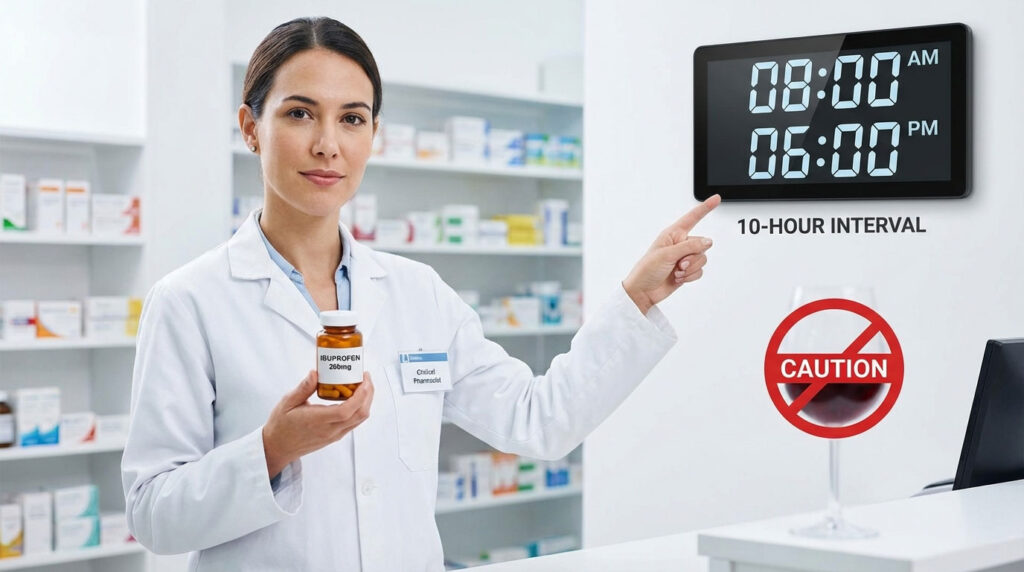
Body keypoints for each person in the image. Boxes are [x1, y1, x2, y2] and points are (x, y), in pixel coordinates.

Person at [121, 16, 719, 572]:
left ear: (373, 134)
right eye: (300, 113)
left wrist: (637, 298)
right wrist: (271, 450)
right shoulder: (190, 302)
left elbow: (541, 420)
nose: (328, 144)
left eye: (352, 118)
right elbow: (152, 514)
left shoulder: (417, 294)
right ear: (251, 127)